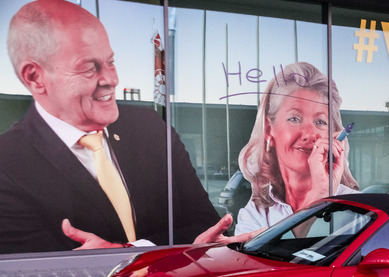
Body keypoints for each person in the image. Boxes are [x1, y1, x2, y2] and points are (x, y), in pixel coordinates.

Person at [0, 0, 245, 254]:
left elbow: (208, 227)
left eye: (110, 61)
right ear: (35, 77)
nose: (111, 79)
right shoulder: (8, 165)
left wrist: (125, 250)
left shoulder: (150, 129)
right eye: (88, 67)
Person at [234, 62, 359, 235]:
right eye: (294, 119)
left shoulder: (357, 211)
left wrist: (321, 192)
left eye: (320, 122)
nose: (309, 134)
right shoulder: (256, 213)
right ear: (269, 130)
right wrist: (316, 198)